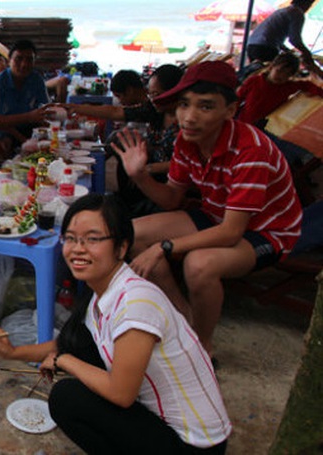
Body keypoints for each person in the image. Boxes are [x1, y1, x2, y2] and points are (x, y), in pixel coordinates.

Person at [0, 194, 231, 453]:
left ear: (121, 247)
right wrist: (11, 352)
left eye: (93, 239)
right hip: (168, 428)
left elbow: (121, 393)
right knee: (84, 357)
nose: (78, 248)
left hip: (194, 446)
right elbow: (68, 344)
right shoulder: (103, 291)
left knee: (68, 398)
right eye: (72, 238)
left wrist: (62, 360)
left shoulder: (136, 303)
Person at [112, 61, 302, 355]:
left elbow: (231, 232)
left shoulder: (251, 150)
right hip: (216, 216)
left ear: (230, 110)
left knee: (199, 264)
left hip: (267, 232)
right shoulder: (187, 140)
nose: (189, 117)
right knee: (132, 233)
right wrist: (140, 175)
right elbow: (172, 199)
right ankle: (184, 319)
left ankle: (202, 347)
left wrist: (163, 247)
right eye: (184, 104)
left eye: (206, 107)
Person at [65, 65, 185, 217]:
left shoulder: (187, 124)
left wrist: (148, 169)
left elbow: (186, 163)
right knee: (121, 140)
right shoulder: (156, 111)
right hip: (149, 167)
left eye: (157, 94)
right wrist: (74, 108)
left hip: (167, 180)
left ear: (175, 92)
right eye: (151, 94)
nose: (152, 99)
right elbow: (116, 112)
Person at [0, 39, 52, 148]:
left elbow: (46, 109)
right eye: (19, 59)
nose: (24, 64)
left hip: (23, 128)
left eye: (29, 60)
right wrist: (24, 139)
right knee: (6, 141)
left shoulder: (36, 79)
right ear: (9, 60)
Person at [237, 51, 323, 127]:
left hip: (267, 127)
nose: (282, 76)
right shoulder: (254, 81)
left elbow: (307, 85)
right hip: (243, 122)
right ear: (271, 67)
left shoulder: (288, 86)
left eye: (287, 74)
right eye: (279, 71)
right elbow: (237, 99)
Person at [246, 0, 323, 79]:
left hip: (252, 45)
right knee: (272, 77)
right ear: (307, 4)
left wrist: (289, 51)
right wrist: (306, 53)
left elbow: (274, 36)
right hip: (265, 48)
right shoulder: (297, 13)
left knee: (258, 76)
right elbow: (295, 40)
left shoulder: (283, 11)